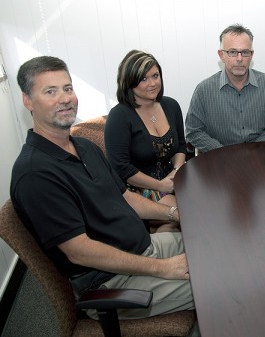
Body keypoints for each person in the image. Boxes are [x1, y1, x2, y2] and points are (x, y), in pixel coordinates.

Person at [10, 56, 194, 320]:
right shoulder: (35, 174)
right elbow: (79, 251)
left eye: (67, 88)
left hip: (144, 247)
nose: (64, 98)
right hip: (111, 283)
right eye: (50, 91)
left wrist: (174, 214)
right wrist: (162, 268)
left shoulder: (84, 147)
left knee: (213, 245)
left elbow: (125, 198)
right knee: (218, 283)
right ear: (28, 101)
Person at [105, 50, 186, 220]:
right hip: (138, 190)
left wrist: (177, 171)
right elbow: (121, 168)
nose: (152, 83)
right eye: (143, 79)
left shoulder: (171, 105)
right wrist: (160, 184)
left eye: (155, 76)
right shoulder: (119, 116)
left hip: (172, 181)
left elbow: (180, 146)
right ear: (129, 82)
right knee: (188, 214)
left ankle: (164, 236)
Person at [185, 23, 265, 152]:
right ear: (221, 55)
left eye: (245, 52)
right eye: (232, 52)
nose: (239, 59)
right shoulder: (203, 90)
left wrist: (253, 149)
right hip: (220, 159)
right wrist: (224, 153)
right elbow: (193, 131)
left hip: (261, 156)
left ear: (251, 55)